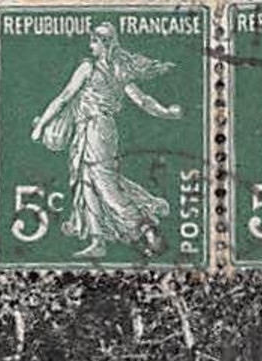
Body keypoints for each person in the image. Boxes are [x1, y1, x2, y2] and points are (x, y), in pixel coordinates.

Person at [31, 23, 183, 259]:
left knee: (103, 182)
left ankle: (144, 226)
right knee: (87, 180)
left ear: (105, 44)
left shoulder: (88, 67)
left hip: (94, 128)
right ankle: (97, 240)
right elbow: (143, 101)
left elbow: (63, 98)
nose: (90, 45)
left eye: (94, 41)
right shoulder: (119, 70)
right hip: (99, 130)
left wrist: (41, 126)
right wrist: (167, 112)